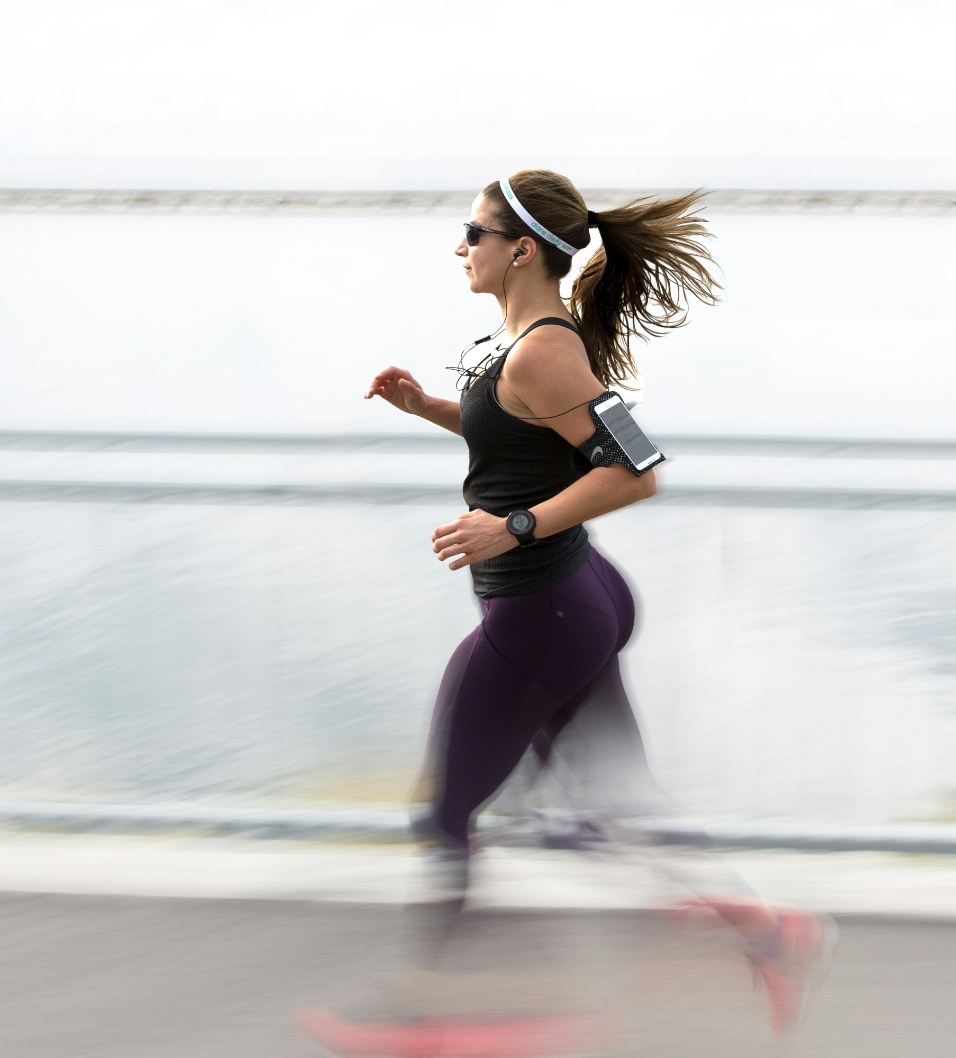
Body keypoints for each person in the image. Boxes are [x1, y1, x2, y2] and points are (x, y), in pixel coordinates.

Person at [300, 169, 832, 1055]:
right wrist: (427, 406)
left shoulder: (546, 347)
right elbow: (523, 431)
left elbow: (637, 469)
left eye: (472, 233)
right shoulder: (529, 342)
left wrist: (514, 527)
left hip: (542, 611)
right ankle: (771, 934)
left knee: (449, 817)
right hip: (578, 600)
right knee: (609, 805)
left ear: (518, 249)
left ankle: (428, 1017)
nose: (460, 247)